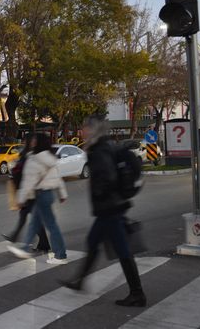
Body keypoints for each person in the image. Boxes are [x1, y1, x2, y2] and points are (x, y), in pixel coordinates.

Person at [62, 115, 146, 307]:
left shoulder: (99, 150)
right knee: (92, 242)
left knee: (123, 251)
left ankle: (137, 293)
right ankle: (80, 281)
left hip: (110, 209)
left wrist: (97, 190)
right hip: (109, 208)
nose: (81, 131)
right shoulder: (105, 146)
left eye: (84, 128)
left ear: (93, 130)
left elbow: (107, 178)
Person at [7, 133, 69, 265]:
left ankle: (59, 255)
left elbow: (28, 183)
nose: (32, 142)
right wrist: (62, 194)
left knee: (49, 225)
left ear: (39, 142)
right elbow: (58, 178)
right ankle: (27, 249)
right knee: (36, 223)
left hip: (40, 194)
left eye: (35, 140)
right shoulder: (49, 158)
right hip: (49, 194)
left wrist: (20, 199)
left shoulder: (34, 160)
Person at [2, 135, 51, 253]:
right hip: (30, 191)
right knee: (27, 217)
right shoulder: (28, 154)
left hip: (32, 192)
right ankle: (43, 244)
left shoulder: (33, 155)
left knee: (27, 217)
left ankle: (16, 237)